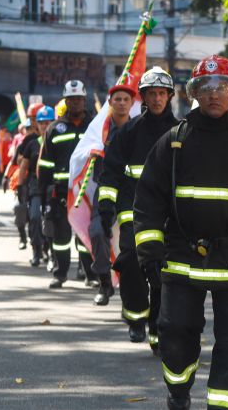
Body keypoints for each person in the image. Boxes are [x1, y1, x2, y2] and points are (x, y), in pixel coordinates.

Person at [134, 55, 228, 410]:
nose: (214, 94)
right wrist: (149, 250)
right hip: (181, 259)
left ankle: (224, 406)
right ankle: (178, 389)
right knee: (174, 335)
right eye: (206, 87)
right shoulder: (174, 142)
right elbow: (148, 200)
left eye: (222, 87)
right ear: (194, 94)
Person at [97, 66, 179, 350]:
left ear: (169, 96)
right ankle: (135, 316)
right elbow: (111, 172)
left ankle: (157, 329)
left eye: (161, 93)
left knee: (162, 271)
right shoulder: (128, 132)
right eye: (151, 94)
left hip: (170, 216)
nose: (156, 99)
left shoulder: (181, 132)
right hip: (133, 212)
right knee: (131, 260)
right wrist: (106, 206)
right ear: (142, 97)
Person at [38, 80, 96, 289]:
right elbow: (44, 165)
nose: (75, 103)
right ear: (65, 101)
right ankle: (60, 274)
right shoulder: (54, 129)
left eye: (78, 99)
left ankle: (91, 274)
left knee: (86, 236)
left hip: (88, 192)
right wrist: (43, 195)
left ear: (84, 99)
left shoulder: (96, 126)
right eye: (71, 99)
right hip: (61, 193)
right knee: (61, 236)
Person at [89, 82, 135, 305]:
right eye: (118, 99)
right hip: (104, 191)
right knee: (97, 232)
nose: (122, 103)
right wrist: (92, 152)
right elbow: (81, 157)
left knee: (130, 243)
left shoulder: (138, 129)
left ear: (132, 103)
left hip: (130, 193)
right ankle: (104, 283)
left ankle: (131, 293)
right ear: (110, 103)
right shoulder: (98, 131)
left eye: (126, 99)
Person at [20, 106, 52, 267]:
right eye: (41, 123)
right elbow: (23, 166)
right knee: (34, 217)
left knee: (51, 220)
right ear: (37, 125)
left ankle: (49, 250)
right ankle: (36, 250)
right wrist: (20, 187)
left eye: (48, 123)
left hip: (54, 185)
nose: (45, 126)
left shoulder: (57, 141)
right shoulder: (31, 143)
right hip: (34, 185)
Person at [12, 104, 44, 252]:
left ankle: (48, 250)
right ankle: (26, 239)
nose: (34, 122)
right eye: (32, 119)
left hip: (52, 183)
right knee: (22, 211)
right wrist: (17, 185)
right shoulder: (28, 140)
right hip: (29, 181)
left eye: (34, 118)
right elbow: (19, 161)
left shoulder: (53, 135)